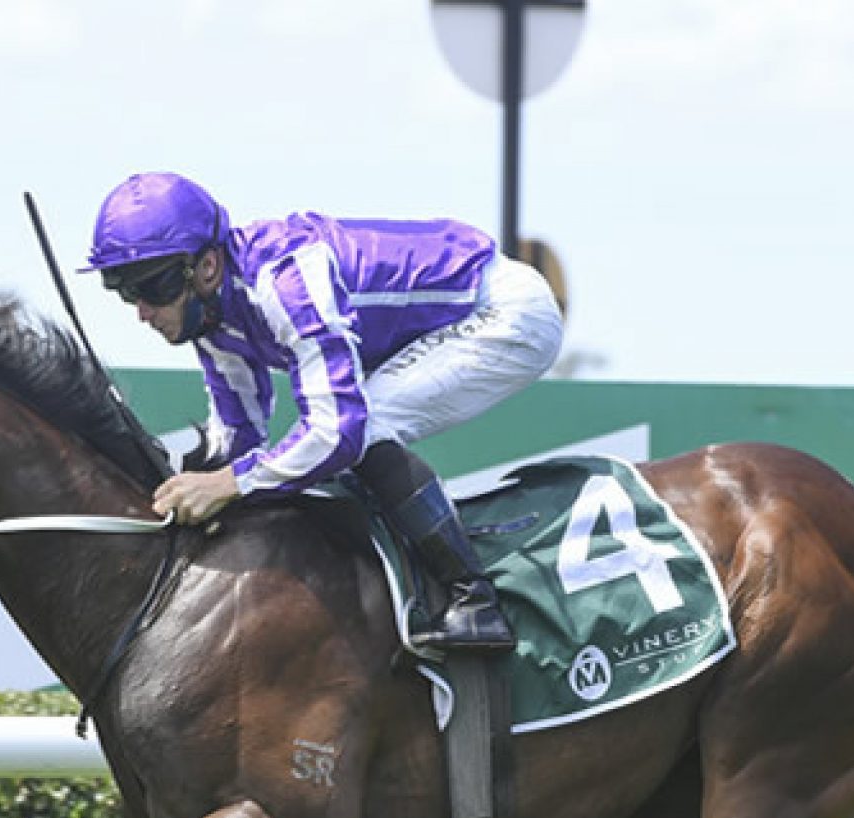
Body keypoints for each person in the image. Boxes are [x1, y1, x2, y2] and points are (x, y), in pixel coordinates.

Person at [79, 171, 565, 652]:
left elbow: (338, 433)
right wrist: (187, 484)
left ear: (206, 266)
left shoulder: (285, 283)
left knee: (365, 429)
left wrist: (227, 484)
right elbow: (237, 436)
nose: (142, 311)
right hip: (432, 324)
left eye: (153, 289)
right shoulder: (209, 318)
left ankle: (476, 600)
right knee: (296, 465)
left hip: (501, 312)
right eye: (125, 292)